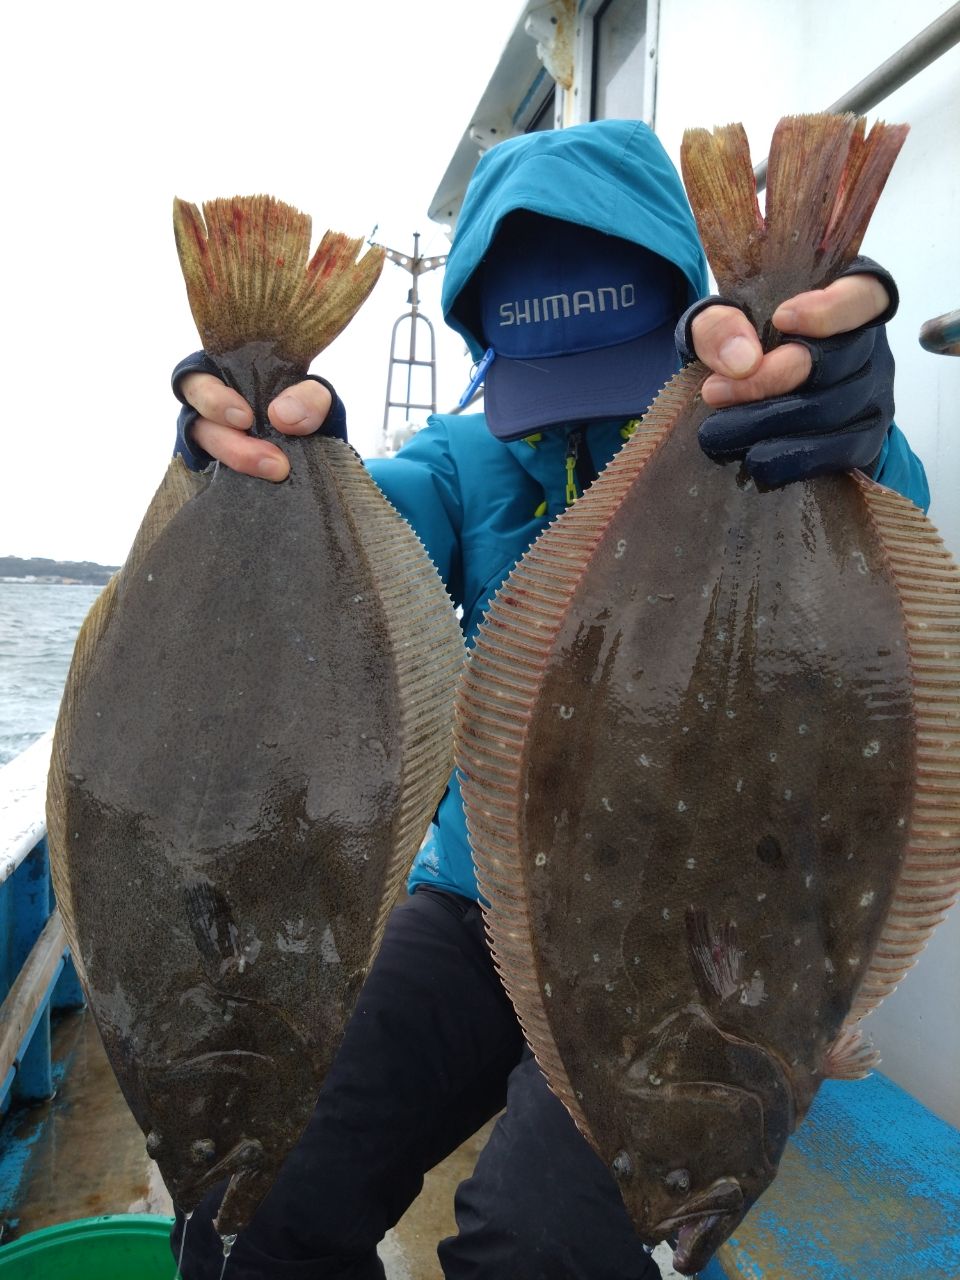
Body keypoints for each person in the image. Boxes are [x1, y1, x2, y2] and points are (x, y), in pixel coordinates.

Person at [169, 120, 929, 1280]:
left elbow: (886, 527)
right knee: (255, 1186)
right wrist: (248, 466)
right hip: (481, 911)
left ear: (686, 315)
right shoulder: (463, 466)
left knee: (540, 1240)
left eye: (613, 375)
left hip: (690, 950)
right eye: (553, 389)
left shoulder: (777, 442)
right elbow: (359, 561)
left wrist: (849, 432)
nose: (585, 420)